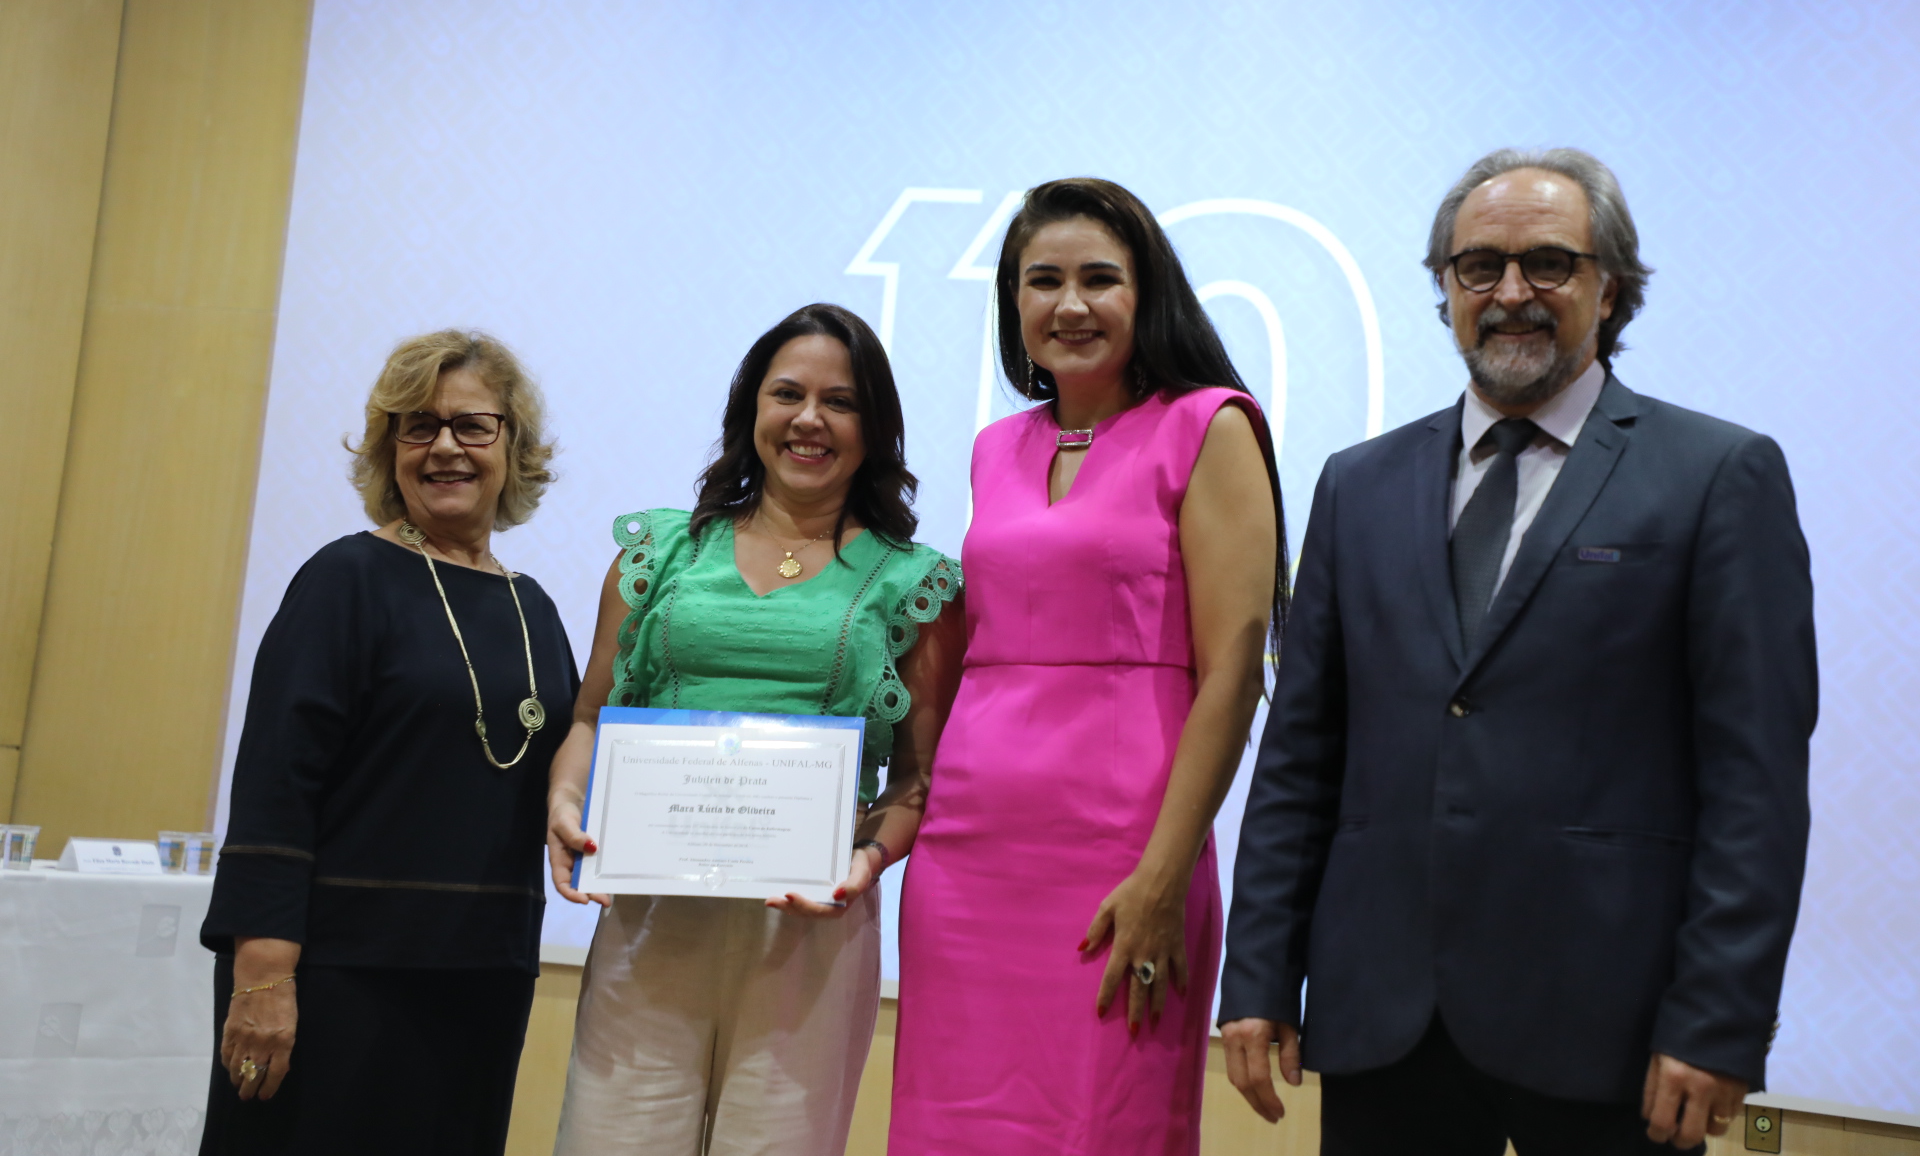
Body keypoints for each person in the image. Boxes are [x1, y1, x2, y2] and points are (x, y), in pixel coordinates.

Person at [1220, 148, 1817, 1155]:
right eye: (1478, 266)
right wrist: (1260, 975)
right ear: (1445, 288)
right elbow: (1300, 757)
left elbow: (1754, 780)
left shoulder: (1719, 475)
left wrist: (1718, 1015)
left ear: (1608, 286)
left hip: (1614, 1025)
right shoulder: (1357, 484)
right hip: (1387, 1015)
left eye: (1547, 262)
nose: (1509, 293)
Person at [888, 178, 1287, 1155]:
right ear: (1013, 303)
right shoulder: (994, 448)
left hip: (1125, 862)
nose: (1071, 304)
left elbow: (1233, 677)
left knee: (1103, 1127)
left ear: (1148, 295)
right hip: (966, 863)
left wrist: (1163, 875)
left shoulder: (1213, 424)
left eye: (1099, 279)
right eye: (1044, 281)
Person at [544, 302, 964, 1156]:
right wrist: (564, 799)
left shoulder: (913, 582)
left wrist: (866, 862)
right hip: (651, 908)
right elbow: (590, 716)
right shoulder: (660, 552)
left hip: (810, 925)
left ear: (875, 428)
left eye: (840, 402)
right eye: (788, 394)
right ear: (752, 409)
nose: (810, 419)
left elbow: (919, 779)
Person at [199, 330, 576, 1155]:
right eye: (418, 426)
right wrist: (263, 972)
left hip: (483, 979)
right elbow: (276, 784)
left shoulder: (536, 610)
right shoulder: (345, 579)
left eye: (472, 425)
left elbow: (562, 777)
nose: (444, 446)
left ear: (512, 445)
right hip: (338, 975)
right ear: (389, 450)